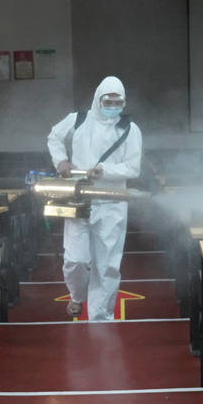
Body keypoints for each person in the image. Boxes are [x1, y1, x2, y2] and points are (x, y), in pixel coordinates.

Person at [47, 76, 142, 321]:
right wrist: (61, 162)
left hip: (112, 204)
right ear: (98, 99)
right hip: (78, 200)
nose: (113, 106)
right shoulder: (78, 120)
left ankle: (101, 318)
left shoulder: (129, 130)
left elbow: (133, 167)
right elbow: (54, 137)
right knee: (75, 260)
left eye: (118, 102)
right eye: (108, 101)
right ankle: (78, 295)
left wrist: (104, 171)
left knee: (107, 265)